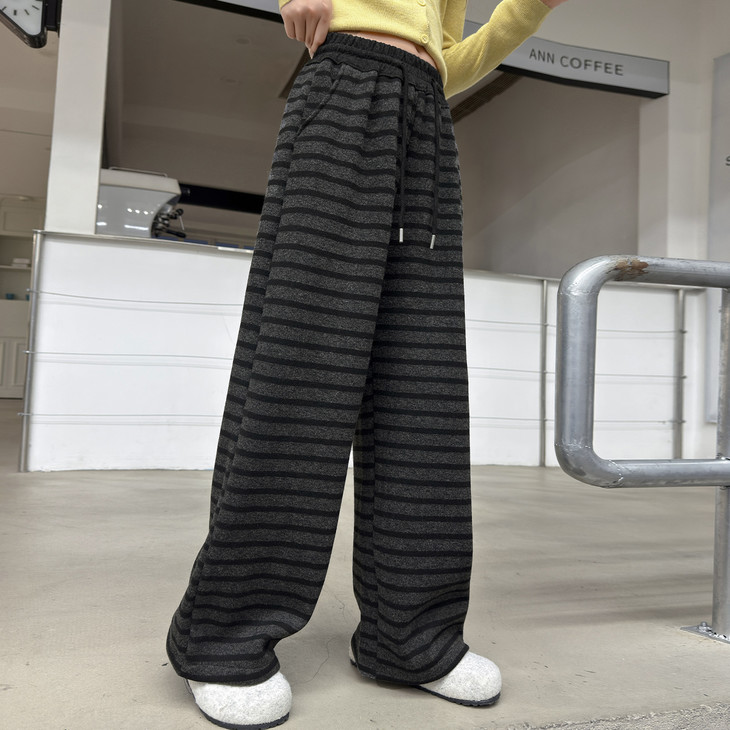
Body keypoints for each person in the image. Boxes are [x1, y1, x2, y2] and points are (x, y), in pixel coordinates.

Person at [167, 1, 569, 728]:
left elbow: (447, 59)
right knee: (301, 371)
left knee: (423, 383)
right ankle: (225, 633)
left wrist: (525, 11)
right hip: (346, 88)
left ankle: (409, 635)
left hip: (426, 117)